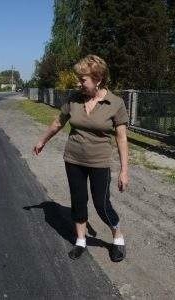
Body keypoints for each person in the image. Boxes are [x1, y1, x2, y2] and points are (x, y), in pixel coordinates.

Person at [33, 54, 129, 262]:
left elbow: (121, 138)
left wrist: (124, 170)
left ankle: (117, 237)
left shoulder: (115, 103)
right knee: (78, 201)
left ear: (98, 79)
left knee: (101, 203)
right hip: (73, 159)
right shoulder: (74, 99)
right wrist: (42, 141)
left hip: (99, 161)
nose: (78, 83)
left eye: (83, 79)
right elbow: (58, 122)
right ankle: (81, 241)